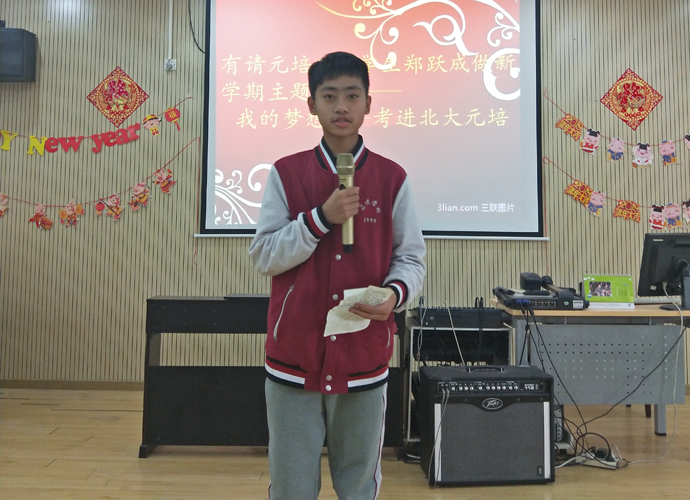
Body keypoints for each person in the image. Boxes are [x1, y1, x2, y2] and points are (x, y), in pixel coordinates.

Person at [248, 51, 426, 500]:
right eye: (329, 96)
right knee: (291, 487)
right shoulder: (287, 173)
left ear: (369, 104)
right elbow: (264, 256)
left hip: (363, 357)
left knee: (358, 485)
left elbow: (410, 259)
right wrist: (320, 219)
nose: (341, 107)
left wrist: (395, 295)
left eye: (352, 95)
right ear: (312, 105)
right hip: (294, 357)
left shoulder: (392, 178)